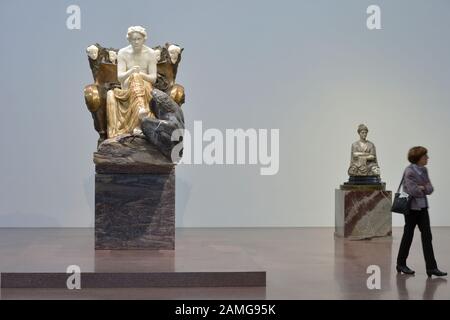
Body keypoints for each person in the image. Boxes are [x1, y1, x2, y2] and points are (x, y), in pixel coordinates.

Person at [396, 146, 447, 277]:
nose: (427, 158)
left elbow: (430, 189)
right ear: (418, 158)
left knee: (427, 237)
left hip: (423, 208)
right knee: (408, 236)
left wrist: (422, 187)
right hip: (411, 209)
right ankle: (401, 264)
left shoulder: (424, 170)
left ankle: (431, 268)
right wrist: (423, 188)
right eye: (425, 156)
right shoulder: (409, 171)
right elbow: (413, 191)